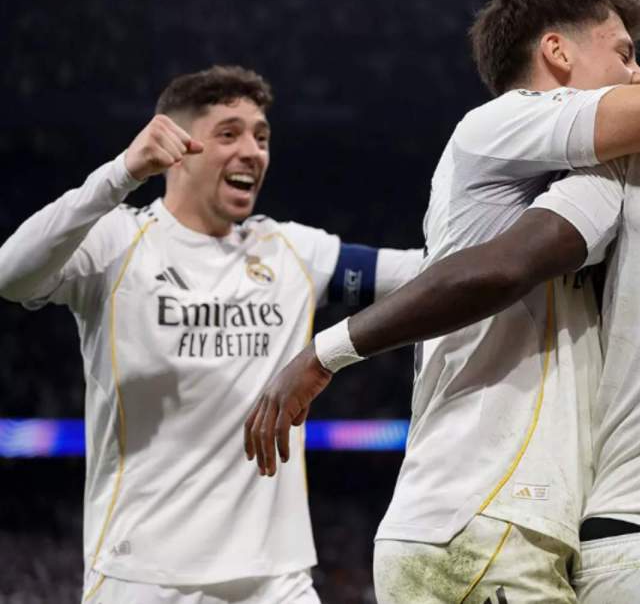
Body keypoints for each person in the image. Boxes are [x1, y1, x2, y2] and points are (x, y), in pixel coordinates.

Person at [247, 0, 640, 604]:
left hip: (509, 530)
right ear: (556, 52)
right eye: (625, 54)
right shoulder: (503, 121)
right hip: (484, 521)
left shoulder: (592, 183)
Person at [0, 66, 424, 603]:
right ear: (176, 147)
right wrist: (121, 172)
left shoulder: (290, 250)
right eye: (229, 133)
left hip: (277, 579)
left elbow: (422, 273)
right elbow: (10, 274)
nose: (253, 150)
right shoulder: (116, 242)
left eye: (262, 137)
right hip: (141, 576)